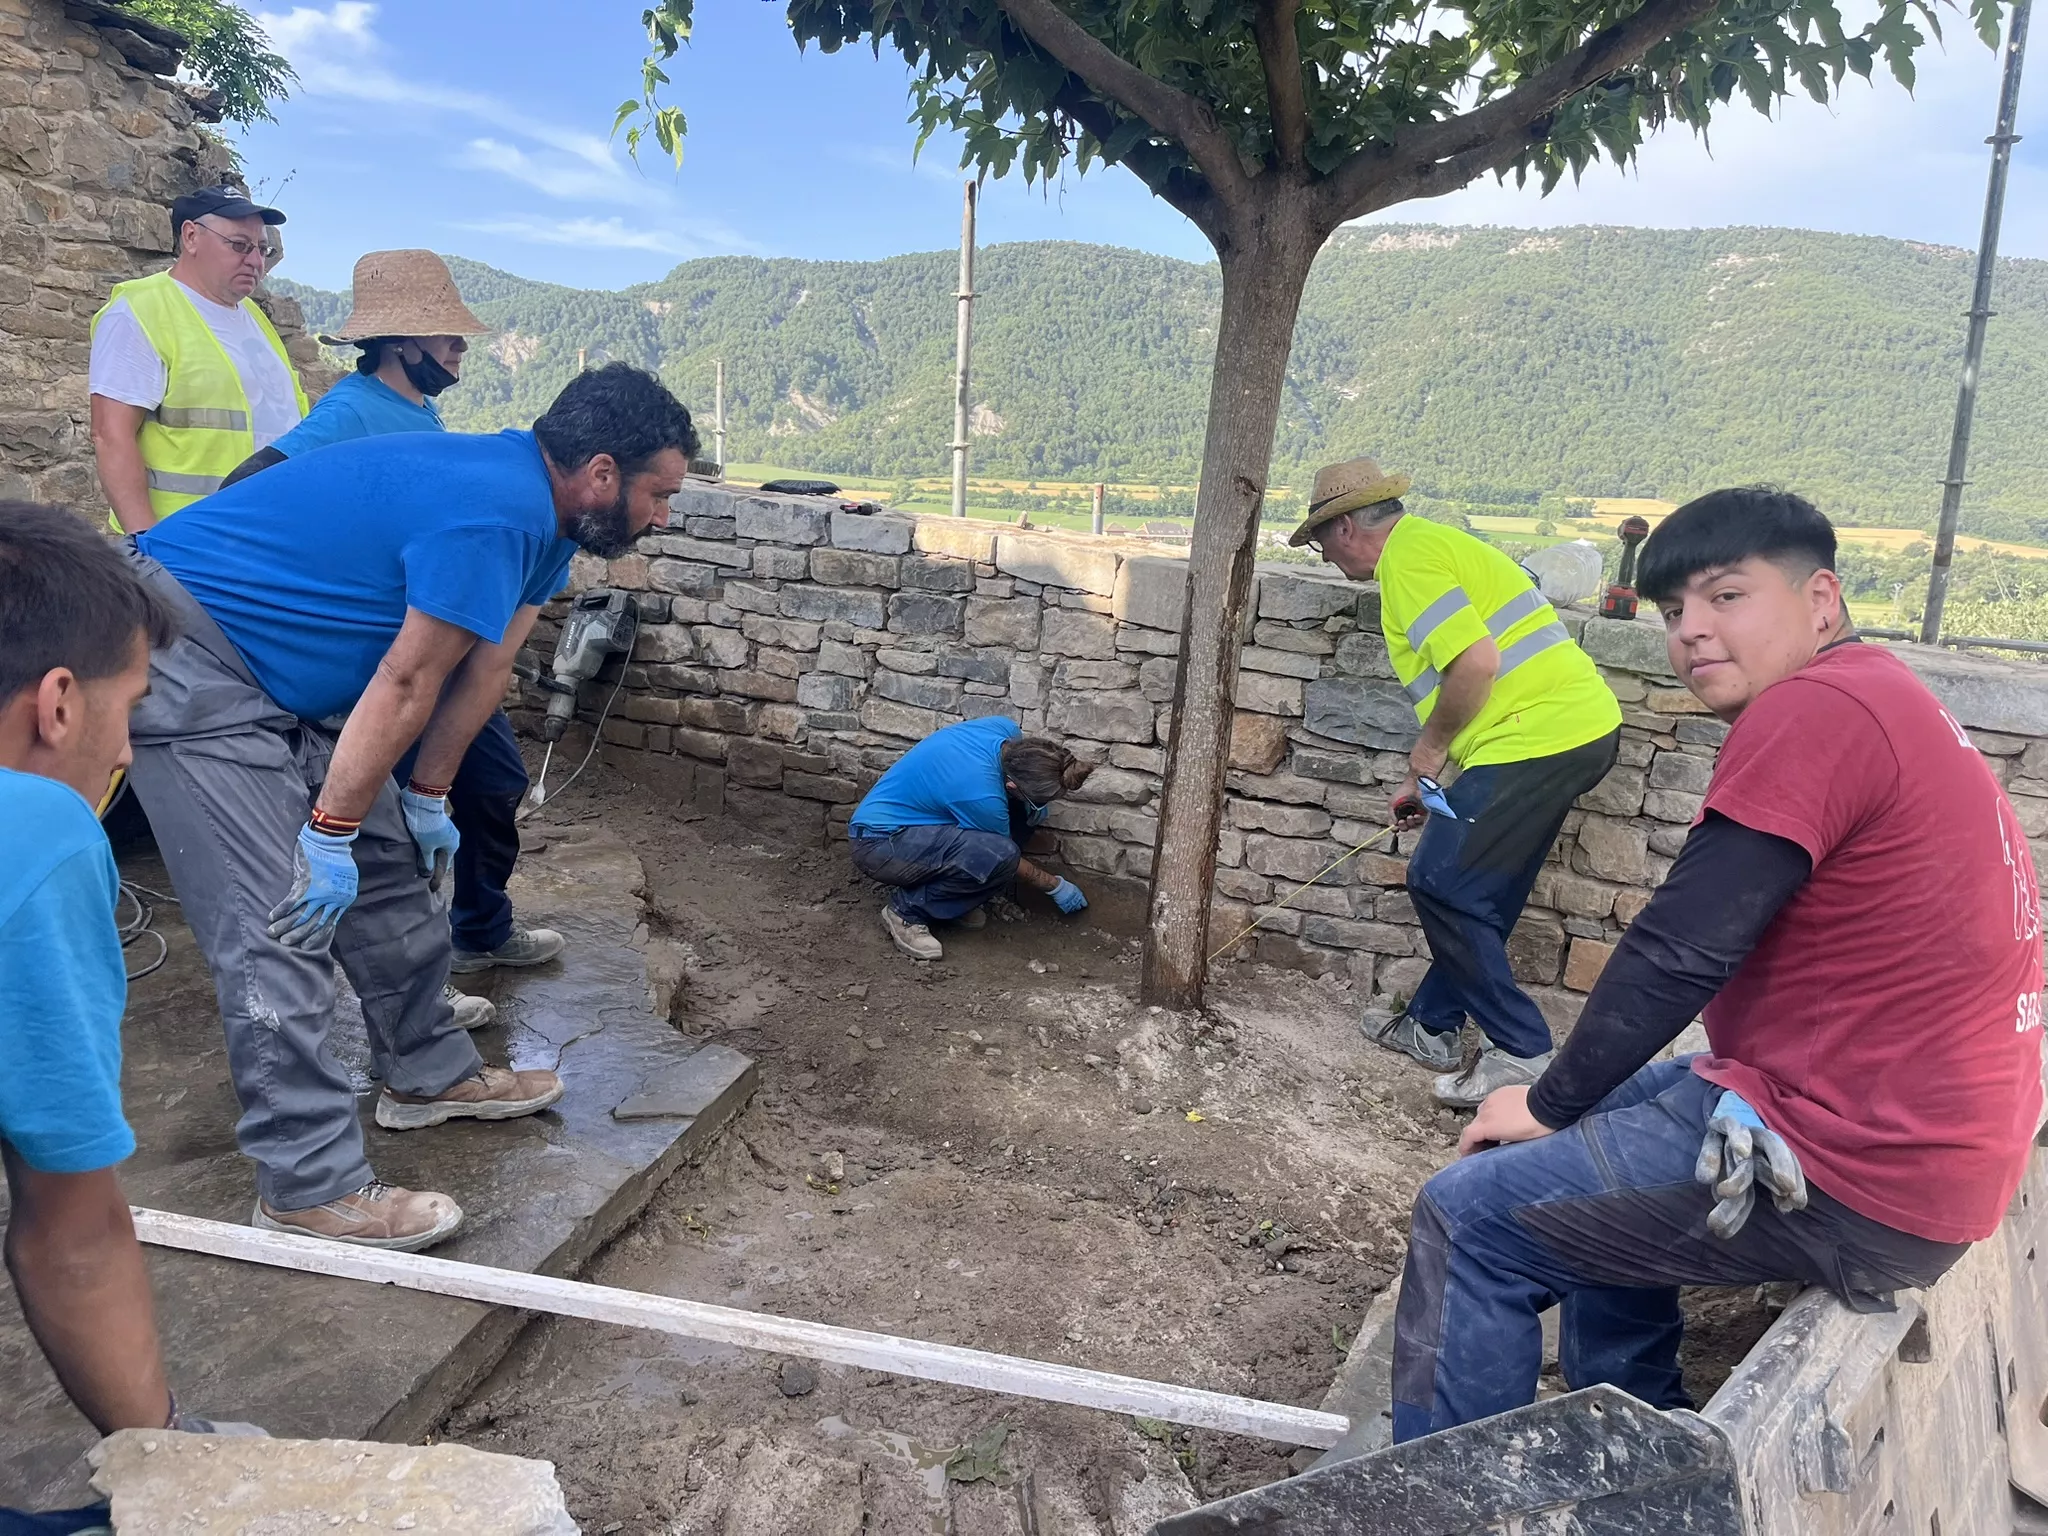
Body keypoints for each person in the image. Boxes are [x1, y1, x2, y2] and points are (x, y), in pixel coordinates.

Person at [1389, 487, 2044, 1441]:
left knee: (1467, 1218)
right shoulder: (1876, 693)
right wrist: (1566, 1108)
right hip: (1889, 1125)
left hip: (1863, 1169)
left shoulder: (1814, 710)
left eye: (1727, 597)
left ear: (1820, 600)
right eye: (1672, 611)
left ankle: (1443, 1503)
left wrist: (1546, 1101)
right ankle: (1635, 1434)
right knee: (1604, 1128)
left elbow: (1681, 948)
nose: (1692, 631)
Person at [122, 363, 698, 1253]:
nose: (663, 515)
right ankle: (307, 1189)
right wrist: (324, 833)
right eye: (659, 493)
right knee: (279, 921)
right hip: (185, 654)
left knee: (390, 868)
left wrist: (427, 795)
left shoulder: (550, 525)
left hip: (285, 671)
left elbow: (485, 668)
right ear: (601, 472)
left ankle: (427, 1077)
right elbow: (406, 678)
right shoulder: (494, 511)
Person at [217, 251, 553, 1033]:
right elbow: (248, 489)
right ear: (401, 344)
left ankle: (481, 926)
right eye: (449, 341)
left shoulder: (421, 415)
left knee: (492, 784)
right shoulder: (352, 411)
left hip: (444, 652)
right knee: (401, 823)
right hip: (389, 657)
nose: (461, 354)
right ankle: (420, 987)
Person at [0, 503, 254, 1527]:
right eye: (131, 712)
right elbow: (70, 1240)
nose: (128, 757)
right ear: (58, 703)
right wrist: (171, 1469)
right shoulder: (37, 829)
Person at [1294, 456, 1622, 1106]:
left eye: (1322, 541)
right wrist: (1433, 780)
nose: (1326, 558)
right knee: (1485, 891)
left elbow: (1475, 663)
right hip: (1574, 730)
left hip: (1537, 736)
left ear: (1349, 526)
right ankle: (1430, 1027)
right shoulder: (1432, 545)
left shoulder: (1407, 562)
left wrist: (1428, 752)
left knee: (1439, 881)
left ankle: (1521, 1054)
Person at [88, 186, 306, 533]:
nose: (256, 261)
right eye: (239, 245)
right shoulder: (141, 311)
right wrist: (149, 549)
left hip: (267, 536)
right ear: (190, 236)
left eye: (263, 249)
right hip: (189, 542)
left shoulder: (254, 318)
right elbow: (111, 435)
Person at [848, 718, 1094, 961]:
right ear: (1010, 785)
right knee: (1002, 857)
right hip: (879, 843)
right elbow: (1001, 857)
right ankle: (906, 912)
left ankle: (950, 901)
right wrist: (1054, 886)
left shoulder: (1005, 730)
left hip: (920, 824)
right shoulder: (982, 797)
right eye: (1039, 799)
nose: (1042, 807)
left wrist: (1031, 807)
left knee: (1019, 822)